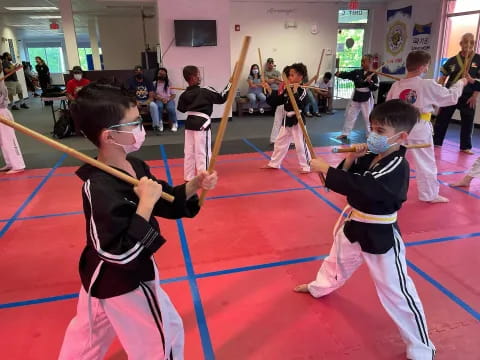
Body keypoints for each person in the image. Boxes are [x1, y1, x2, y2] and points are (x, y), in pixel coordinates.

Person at [58, 82, 218, 360]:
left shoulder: (136, 166)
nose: (140, 127)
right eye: (133, 123)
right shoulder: (98, 187)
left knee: (87, 341)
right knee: (160, 343)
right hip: (123, 281)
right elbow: (116, 253)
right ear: (109, 136)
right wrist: (144, 204)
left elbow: (165, 199)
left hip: (101, 281)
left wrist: (194, 186)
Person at [295, 100, 436, 360]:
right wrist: (350, 158)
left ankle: (422, 346)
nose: (373, 135)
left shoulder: (397, 165)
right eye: (372, 128)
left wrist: (327, 168)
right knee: (336, 261)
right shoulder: (371, 156)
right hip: (354, 224)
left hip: (380, 233)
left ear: (402, 137)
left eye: (380, 131)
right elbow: (345, 183)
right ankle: (320, 287)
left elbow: (366, 187)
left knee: (397, 290)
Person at [386, 50, 468, 203]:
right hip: (418, 126)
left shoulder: (397, 85)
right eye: (427, 66)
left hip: (397, 126)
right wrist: (460, 83)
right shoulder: (426, 84)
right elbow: (451, 98)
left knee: (391, 158)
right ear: (423, 67)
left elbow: (388, 106)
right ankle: (429, 195)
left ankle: (384, 189)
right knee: (425, 161)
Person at [177, 65, 231, 181]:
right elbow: (222, 98)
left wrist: (190, 94)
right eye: (198, 74)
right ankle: (204, 177)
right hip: (202, 123)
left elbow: (181, 109)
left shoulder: (185, 95)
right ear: (193, 77)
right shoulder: (205, 90)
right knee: (203, 152)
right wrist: (230, 84)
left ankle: (188, 177)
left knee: (189, 152)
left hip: (189, 123)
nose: (200, 76)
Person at [433, 33, 480, 154]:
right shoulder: (452, 60)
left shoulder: (478, 59)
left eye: (471, 42)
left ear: (474, 44)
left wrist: (475, 96)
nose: (468, 45)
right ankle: (436, 141)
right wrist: (438, 91)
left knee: (468, 121)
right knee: (442, 118)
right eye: (465, 42)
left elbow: (479, 80)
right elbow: (443, 78)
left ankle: (465, 146)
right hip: (451, 93)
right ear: (461, 44)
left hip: (468, 95)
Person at [263, 63, 311, 173]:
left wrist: (295, 91)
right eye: (289, 75)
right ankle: (274, 163)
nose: (289, 77)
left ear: (300, 77)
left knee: (300, 144)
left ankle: (306, 166)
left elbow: (299, 105)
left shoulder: (302, 91)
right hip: (287, 119)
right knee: (280, 142)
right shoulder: (287, 89)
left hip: (298, 119)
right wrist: (269, 90)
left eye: (292, 75)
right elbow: (277, 101)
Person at [336, 54, 378, 139]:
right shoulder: (357, 72)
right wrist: (339, 74)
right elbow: (347, 75)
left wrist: (370, 82)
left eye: (364, 61)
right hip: (357, 96)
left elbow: (375, 88)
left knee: (367, 117)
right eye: (362, 61)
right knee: (350, 115)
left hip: (366, 97)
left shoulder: (374, 75)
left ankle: (369, 134)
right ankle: (345, 133)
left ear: (370, 62)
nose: (362, 63)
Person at [0, 80, 25, 174]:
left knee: (9, 139)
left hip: (2, 113)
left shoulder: (1, 84)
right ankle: (10, 163)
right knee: (2, 141)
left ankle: (18, 165)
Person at [150, 67, 178, 134]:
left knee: (170, 108)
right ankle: (160, 122)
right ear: (157, 74)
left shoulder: (169, 83)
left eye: (163, 74)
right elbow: (153, 94)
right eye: (160, 73)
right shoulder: (154, 83)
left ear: (165, 75)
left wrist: (167, 99)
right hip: (159, 99)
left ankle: (174, 123)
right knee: (159, 106)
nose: (161, 75)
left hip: (168, 99)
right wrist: (161, 99)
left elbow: (173, 95)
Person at [269, 66, 289, 144]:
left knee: (289, 124)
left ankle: (291, 140)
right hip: (281, 105)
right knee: (278, 122)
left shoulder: (288, 84)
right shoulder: (282, 84)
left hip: (288, 106)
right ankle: (273, 139)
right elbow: (280, 95)